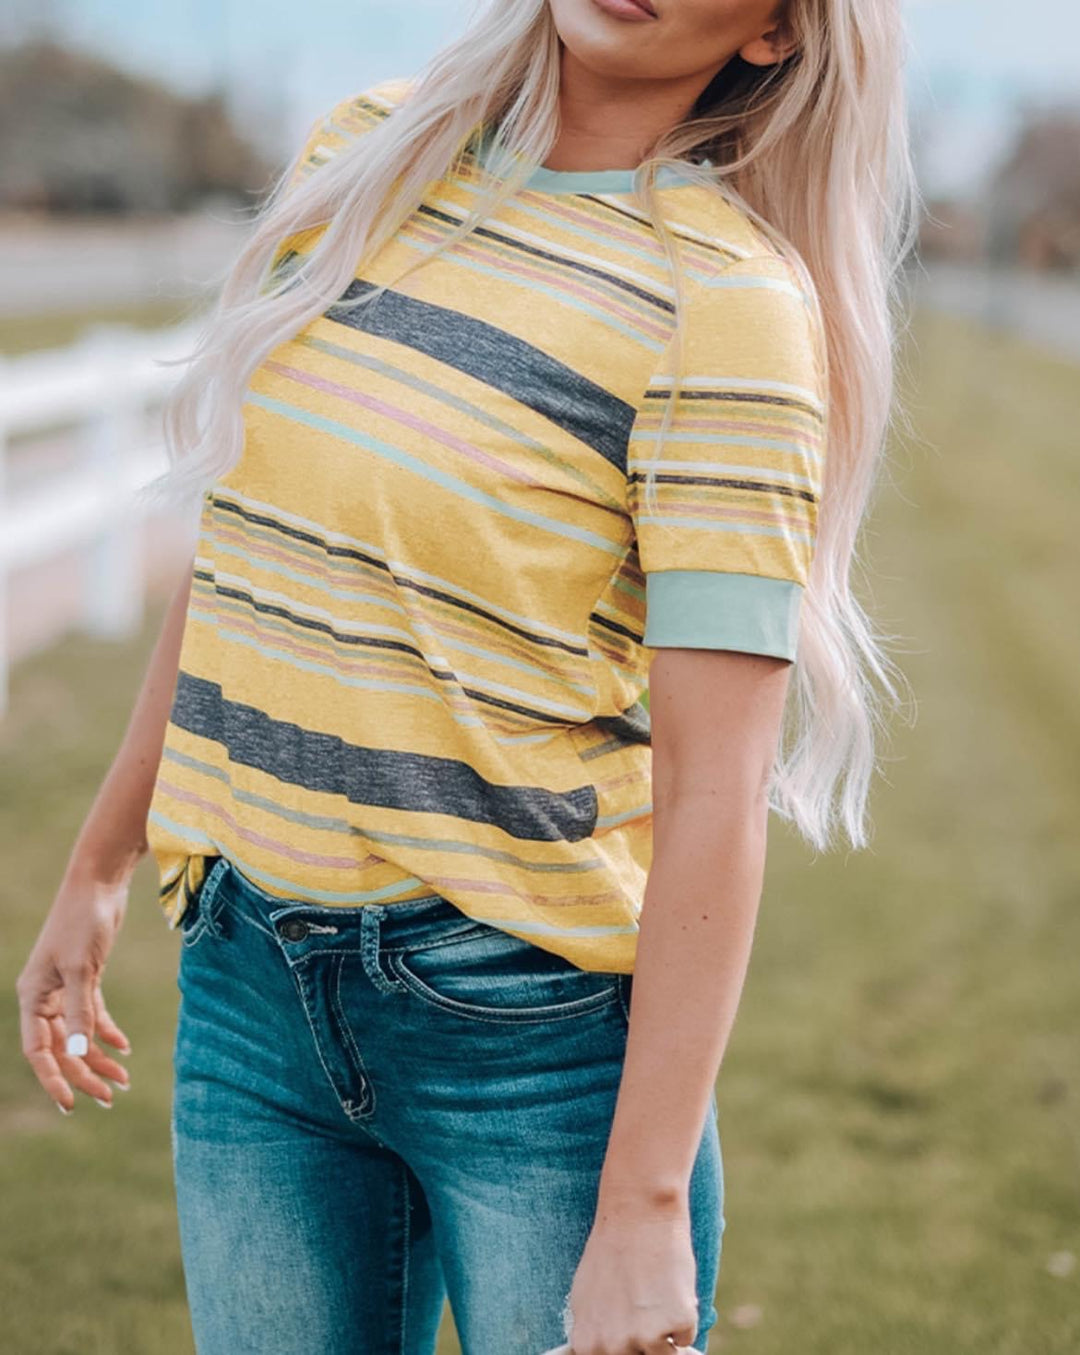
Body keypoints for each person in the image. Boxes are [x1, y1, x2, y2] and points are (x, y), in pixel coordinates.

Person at [16, 0, 919, 1351]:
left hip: (528, 1041)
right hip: (251, 987)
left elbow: (718, 797)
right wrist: (97, 863)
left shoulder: (725, 309)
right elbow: (249, 557)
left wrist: (644, 1204)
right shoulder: (369, 153)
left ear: (778, 34)